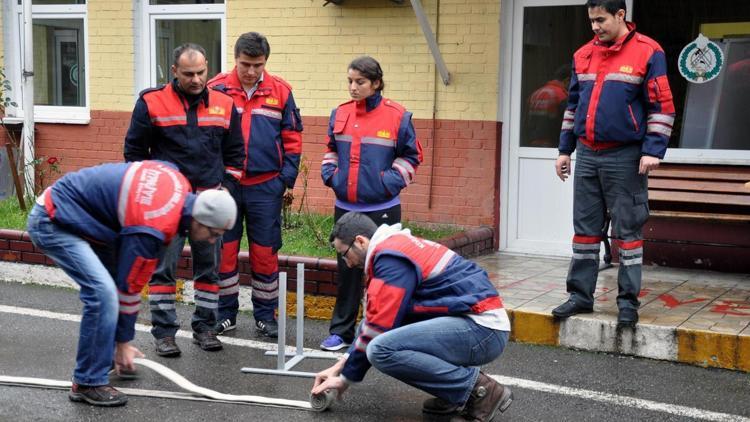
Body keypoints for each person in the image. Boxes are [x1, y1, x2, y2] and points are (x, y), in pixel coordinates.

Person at [26, 161, 237, 407]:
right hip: (54, 220)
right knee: (103, 293)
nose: (213, 241)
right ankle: (87, 382)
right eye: (214, 234)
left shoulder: (180, 184)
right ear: (200, 220)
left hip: (90, 219)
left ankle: (101, 362)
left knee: (108, 290)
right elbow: (129, 289)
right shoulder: (153, 226)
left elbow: (161, 165)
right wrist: (124, 343)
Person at [311, 212, 512, 422]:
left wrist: (345, 379)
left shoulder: (390, 258)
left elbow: (378, 327)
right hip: (476, 324)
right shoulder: (395, 248)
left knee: (380, 350)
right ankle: (454, 394)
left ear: (360, 241)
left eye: (345, 254)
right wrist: (340, 365)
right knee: (381, 337)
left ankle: (480, 391)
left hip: (483, 330)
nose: (348, 264)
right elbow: (372, 320)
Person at [552, 0, 675, 326]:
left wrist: (653, 150)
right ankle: (579, 297)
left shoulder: (648, 51)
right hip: (588, 154)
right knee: (585, 233)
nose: (595, 27)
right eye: (591, 21)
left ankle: (627, 305)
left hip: (625, 156)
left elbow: (661, 105)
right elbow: (572, 107)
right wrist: (565, 150)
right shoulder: (583, 55)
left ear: (621, 15)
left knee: (628, 232)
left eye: (601, 20)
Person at [123, 43, 245, 356]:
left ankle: (205, 328)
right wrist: (152, 194)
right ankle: (164, 334)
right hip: (167, 206)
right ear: (174, 71)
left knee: (209, 270)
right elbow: (135, 156)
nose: (196, 79)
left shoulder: (224, 103)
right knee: (163, 271)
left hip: (208, 204)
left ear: (208, 69)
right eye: (188, 73)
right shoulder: (151, 102)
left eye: (201, 72)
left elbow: (235, 155)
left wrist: (226, 190)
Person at [318, 56, 423, 351]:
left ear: (376, 83)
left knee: (386, 273)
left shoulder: (398, 116)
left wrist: (386, 183)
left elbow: (411, 157)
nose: (353, 87)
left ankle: (385, 334)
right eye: (350, 81)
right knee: (348, 272)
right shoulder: (339, 114)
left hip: (382, 208)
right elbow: (330, 150)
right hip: (346, 207)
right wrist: (331, 176)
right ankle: (341, 333)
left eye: (360, 82)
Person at [208, 32, 303, 338]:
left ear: (265, 63)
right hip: (226, 187)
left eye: (257, 65)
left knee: (265, 253)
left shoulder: (281, 91)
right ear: (234, 59)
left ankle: (265, 316)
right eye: (245, 64)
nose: (250, 71)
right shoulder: (216, 89)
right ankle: (225, 315)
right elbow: (205, 137)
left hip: (266, 187)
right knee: (225, 251)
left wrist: (285, 181)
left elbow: (292, 139)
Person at [522, 64, 571, 148]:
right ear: (567, 80)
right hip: (552, 147)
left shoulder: (534, 94)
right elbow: (567, 125)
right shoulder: (562, 96)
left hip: (531, 145)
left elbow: (525, 121)